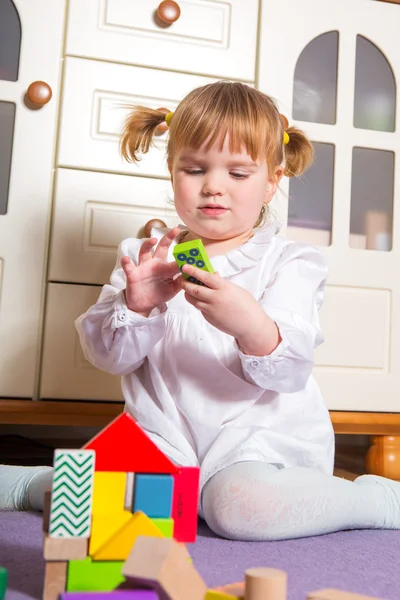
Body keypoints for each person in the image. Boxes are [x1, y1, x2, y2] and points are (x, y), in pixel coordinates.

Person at [1, 81, 399, 541]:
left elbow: (289, 373)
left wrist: (249, 323)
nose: (213, 187)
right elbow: (110, 358)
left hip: (258, 441)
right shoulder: (146, 255)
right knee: (97, 502)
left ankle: (378, 499)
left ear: (271, 182)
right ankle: (32, 482)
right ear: (172, 173)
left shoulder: (291, 262)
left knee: (241, 510)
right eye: (194, 169)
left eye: (238, 173)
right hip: (163, 438)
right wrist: (138, 306)